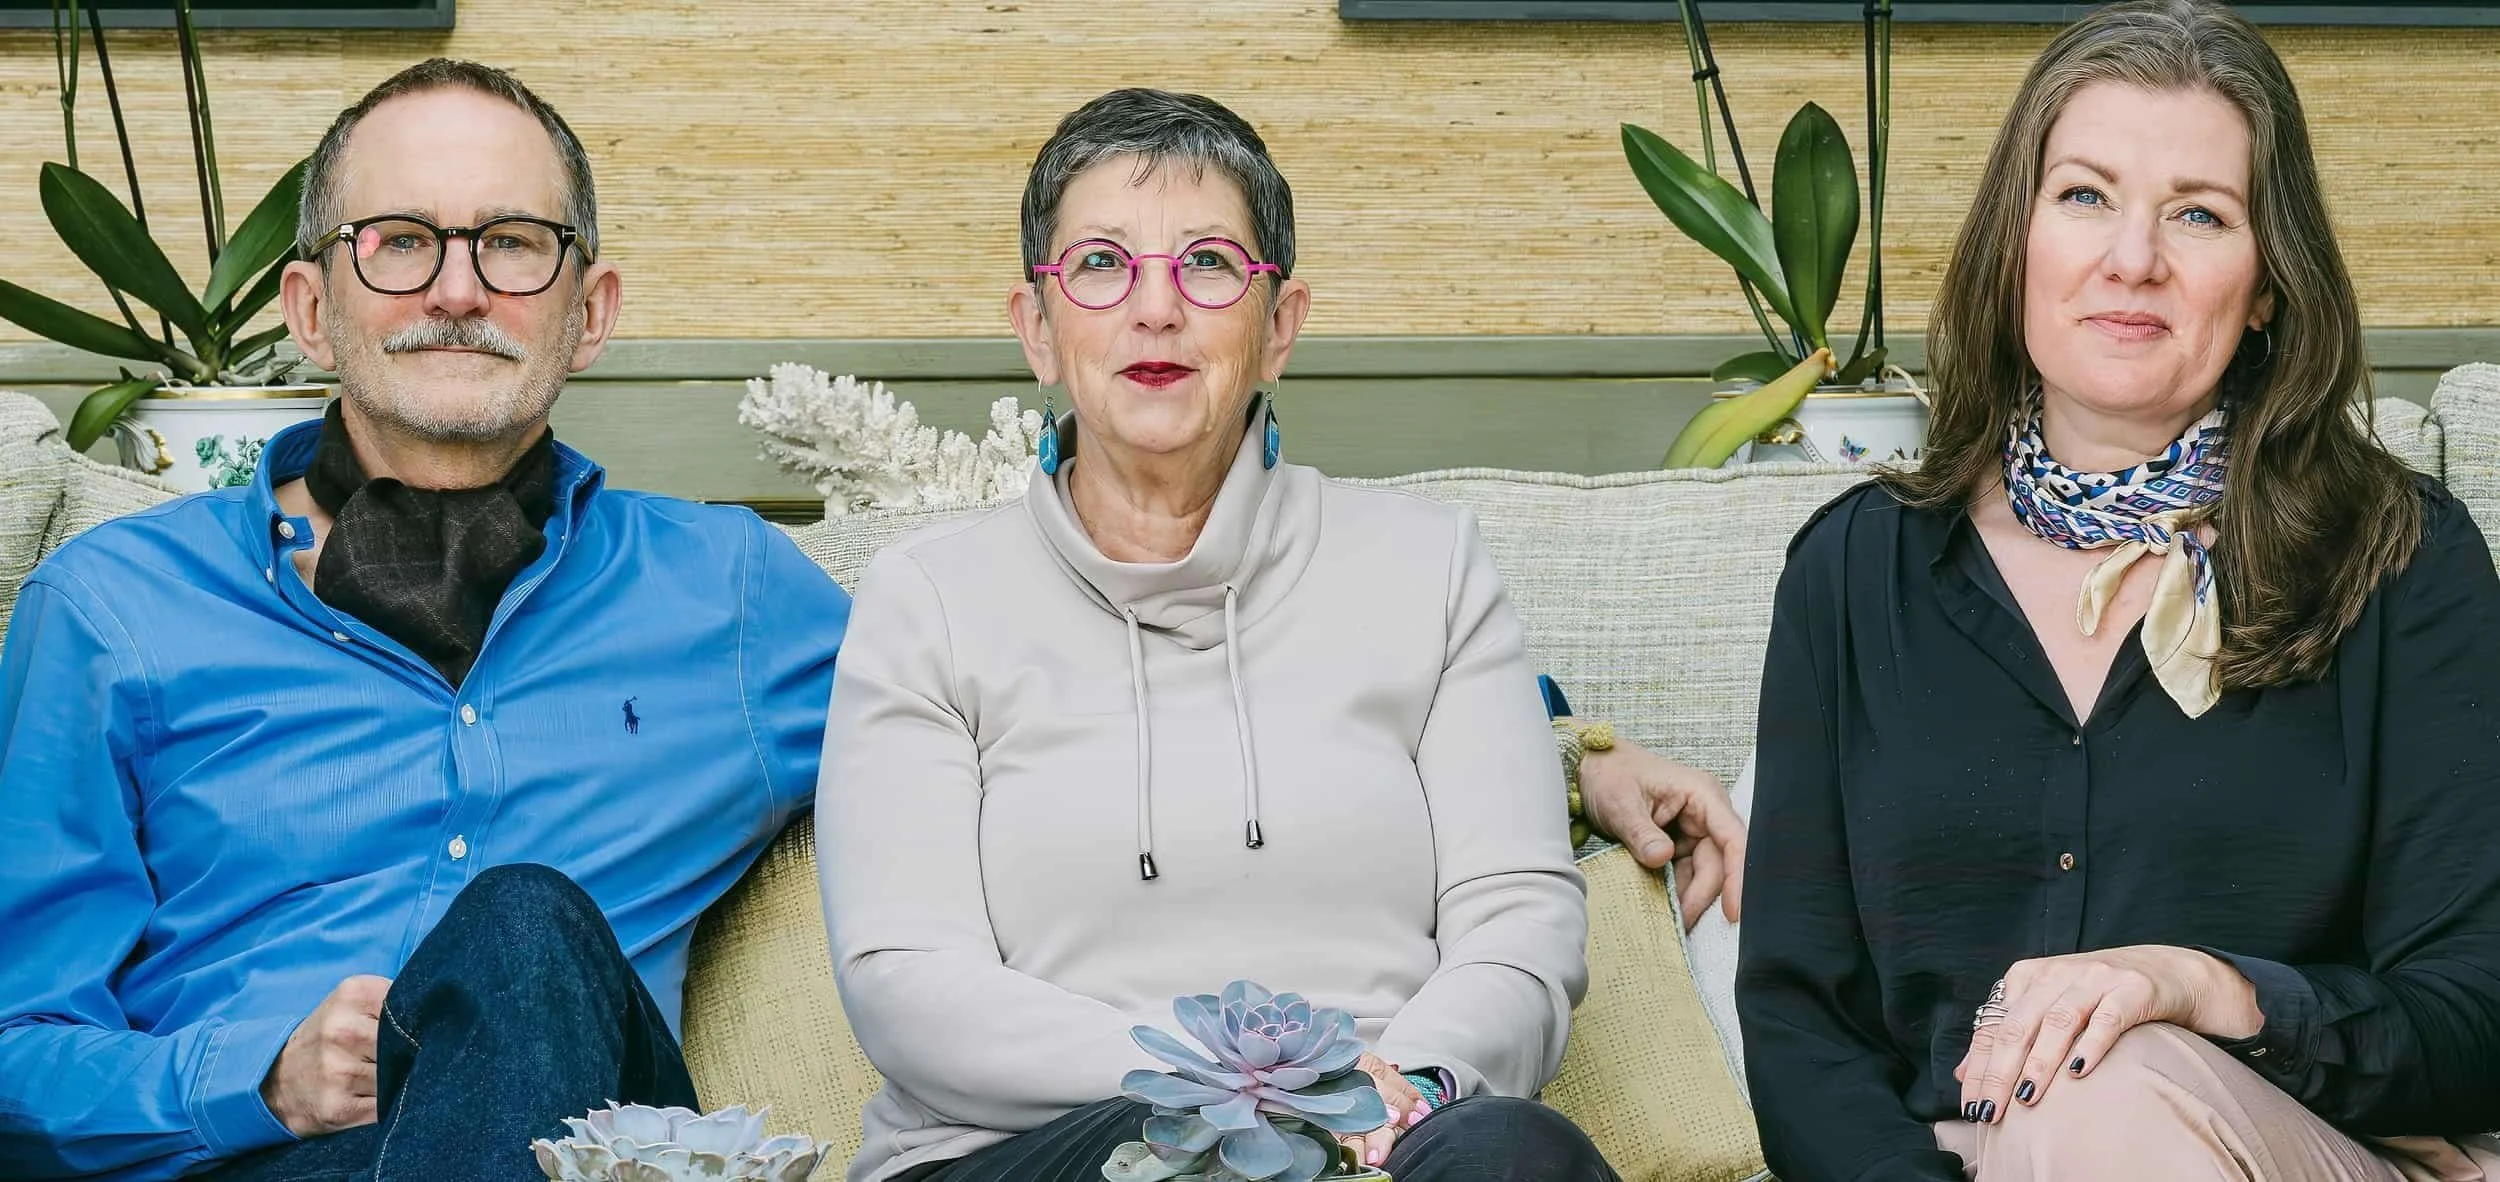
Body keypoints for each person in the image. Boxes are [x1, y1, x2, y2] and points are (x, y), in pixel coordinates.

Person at [0, 60, 850, 1181]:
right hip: (262, 1165)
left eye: (512, 242)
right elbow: (16, 1049)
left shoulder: (734, 594)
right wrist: (258, 1079)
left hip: (572, 1140)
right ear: (312, 311)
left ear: (589, 313)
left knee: (525, 924)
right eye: (400, 242)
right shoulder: (115, 607)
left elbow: (997, 736)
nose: (457, 291)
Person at [1732, 2, 2500, 1179]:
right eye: (2084, 196)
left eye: (2199, 214)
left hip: (2282, 1149)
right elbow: (1800, 1032)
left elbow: (2476, 1018)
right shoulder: (1851, 574)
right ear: (2016, 242)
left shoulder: (2400, 560)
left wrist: (2197, 988)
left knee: (2106, 1083)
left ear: (2265, 285)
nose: (2131, 259)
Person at [817, 88, 1618, 1182]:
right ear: (1037, 329)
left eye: (1206, 264)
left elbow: (1518, 922)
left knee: (1513, 1154)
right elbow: (903, 978)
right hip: (1042, 1145)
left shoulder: (1431, 568)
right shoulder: (926, 600)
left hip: (1384, 1129)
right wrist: (1235, 1092)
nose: (1156, 310)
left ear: (1278, 326)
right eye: (1101, 264)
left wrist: (1406, 1087)